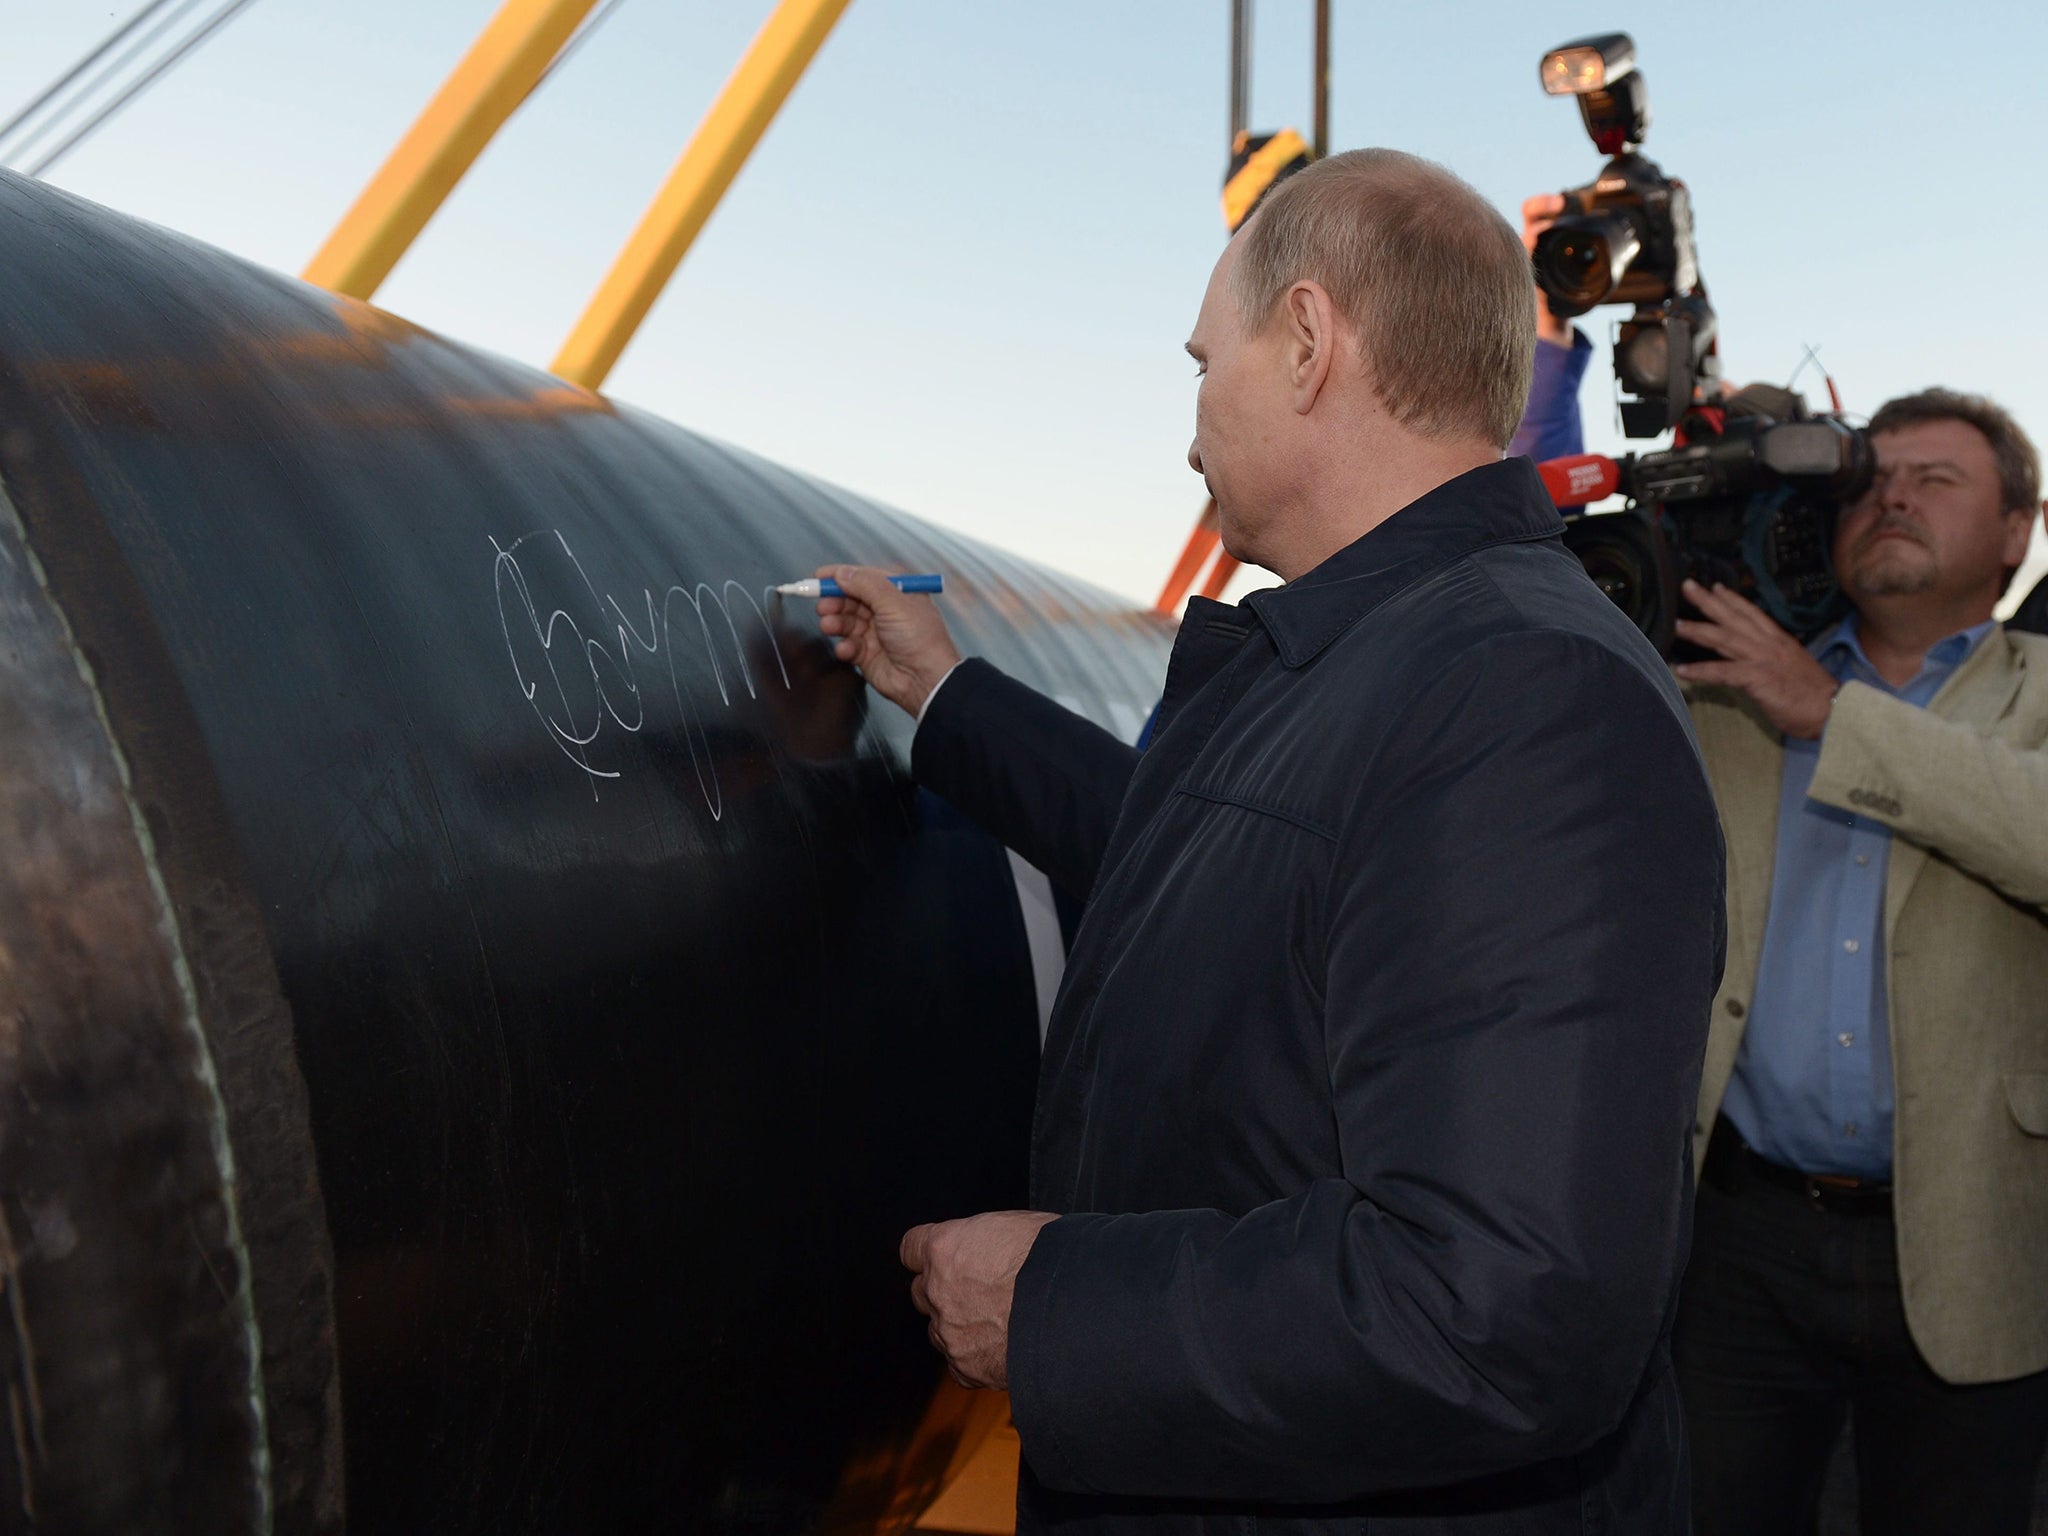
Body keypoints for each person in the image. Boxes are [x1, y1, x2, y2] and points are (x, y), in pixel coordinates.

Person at [814, 148, 1725, 1534]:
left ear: (1306, 344)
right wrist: (944, 693)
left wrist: (1059, 1311)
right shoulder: (1384, 655)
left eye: (1201, 366)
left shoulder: (1529, 697)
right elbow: (1207, 873)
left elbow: (1496, 1308)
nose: (1189, 431)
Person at [1666, 388, 2048, 1536]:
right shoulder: (1724, 683)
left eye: (1935, 480)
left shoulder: (2035, 696)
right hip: (1735, 1234)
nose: (1891, 497)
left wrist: (1828, 715)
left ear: (2017, 532)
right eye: (1870, 482)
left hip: (1971, 1234)